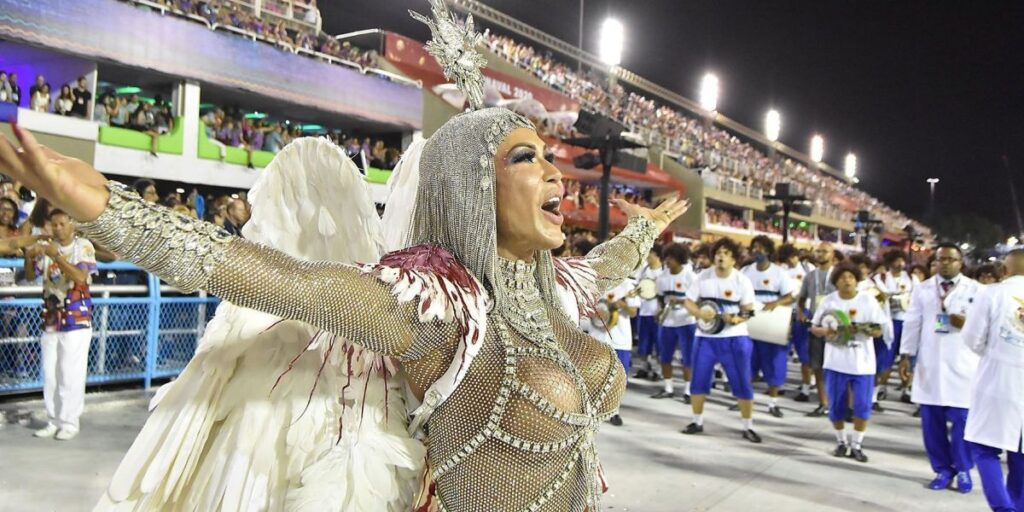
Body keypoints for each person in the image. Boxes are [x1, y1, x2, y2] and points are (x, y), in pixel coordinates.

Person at [0, 8, 689, 503]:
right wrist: (101, 205)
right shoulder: (430, 309)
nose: (555, 174)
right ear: (473, 189)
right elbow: (268, 277)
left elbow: (605, 267)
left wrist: (644, 233)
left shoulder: (553, 289)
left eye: (550, 157)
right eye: (526, 158)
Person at [900, 243, 982, 493]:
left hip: (964, 364)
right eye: (940, 259)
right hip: (931, 365)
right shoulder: (923, 289)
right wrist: (906, 355)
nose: (945, 263)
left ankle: (964, 469)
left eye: (951, 259)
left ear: (961, 262)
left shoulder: (978, 290)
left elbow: (984, 328)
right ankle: (943, 470)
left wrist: (965, 323)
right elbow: (912, 323)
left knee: (963, 423)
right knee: (931, 424)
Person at [24, 209, 98, 441]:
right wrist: (29, 256)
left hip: (76, 318)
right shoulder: (46, 247)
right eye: (53, 225)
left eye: (61, 224)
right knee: (51, 373)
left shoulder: (83, 246)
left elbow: (79, 277)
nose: (57, 229)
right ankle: (52, 419)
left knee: (70, 373)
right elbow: (29, 276)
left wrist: (57, 257)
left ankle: (69, 421)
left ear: (72, 224)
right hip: (51, 318)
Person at [961, 249, 1024, 512]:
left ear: (1004, 270)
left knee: (984, 449)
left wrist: (996, 353)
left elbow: (972, 338)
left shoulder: (992, 293)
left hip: (998, 379)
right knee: (1021, 454)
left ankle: (1003, 508)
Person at [681, 238, 761, 443]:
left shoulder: (741, 280)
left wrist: (736, 319)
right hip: (705, 337)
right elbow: (688, 301)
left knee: (742, 381)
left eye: (726, 253)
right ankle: (696, 421)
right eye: (718, 252)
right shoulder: (702, 277)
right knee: (698, 380)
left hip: (734, 338)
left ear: (734, 259)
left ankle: (748, 426)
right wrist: (698, 312)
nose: (721, 256)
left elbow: (749, 310)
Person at [809, 263, 886, 462]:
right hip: (835, 363)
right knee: (836, 407)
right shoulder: (829, 301)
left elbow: (879, 330)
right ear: (835, 281)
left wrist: (862, 329)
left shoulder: (868, 301)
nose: (847, 280)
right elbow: (815, 328)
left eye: (851, 276)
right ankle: (841, 442)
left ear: (857, 279)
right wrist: (829, 331)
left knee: (861, 406)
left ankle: (857, 444)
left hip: (863, 365)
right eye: (842, 277)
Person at [741, 235, 796, 418]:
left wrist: (776, 303)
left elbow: (790, 296)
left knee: (774, 363)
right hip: (750, 322)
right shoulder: (746, 271)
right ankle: (744, 399)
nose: (757, 251)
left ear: (768, 251)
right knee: (747, 363)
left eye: (761, 248)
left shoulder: (779, 273)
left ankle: (773, 403)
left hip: (772, 323)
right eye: (754, 247)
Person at [585, 277, 639, 426]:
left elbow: (633, 312)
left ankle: (615, 411)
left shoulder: (629, 284)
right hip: (597, 335)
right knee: (594, 374)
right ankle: (591, 408)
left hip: (619, 338)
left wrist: (622, 305)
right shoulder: (596, 281)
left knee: (619, 377)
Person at [652, 243, 697, 401]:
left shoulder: (690, 276)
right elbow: (659, 298)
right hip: (667, 322)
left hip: (687, 321)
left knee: (688, 357)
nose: (667, 260)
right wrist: (659, 310)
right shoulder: (662, 278)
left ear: (680, 259)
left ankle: (688, 391)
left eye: (671, 257)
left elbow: (696, 299)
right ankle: (668, 387)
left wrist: (680, 301)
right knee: (665, 356)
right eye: (667, 257)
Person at [797, 242, 838, 416]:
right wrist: (800, 312)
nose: (820, 254)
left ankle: (845, 406)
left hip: (836, 327)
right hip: (816, 325)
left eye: (825, 251)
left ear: (832, 254)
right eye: (818, 251)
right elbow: (801, 298)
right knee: (817, 367)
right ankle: (823, 403)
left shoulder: (839, 275)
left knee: (838, 367)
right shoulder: (810, 276)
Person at [873, 250, 915, 408]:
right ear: (889, 262)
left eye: (902, 261)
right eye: (896, 261)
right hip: (888, 323)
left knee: (908, 359)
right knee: (883, 360)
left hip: (907, 323)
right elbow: (879, 297)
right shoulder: (881, 278)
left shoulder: (911, 279)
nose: (900, 264)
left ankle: (907, 390)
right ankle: (875, 395)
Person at [779, 243, 813, 401]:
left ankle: (806, 389)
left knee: (804, 352)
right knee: (781, 350)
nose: (791, 261)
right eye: (787, 259)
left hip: (803, 313)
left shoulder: (808, 269)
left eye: (793, 257)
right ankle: (779, 385)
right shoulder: (782, 271)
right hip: (785, 313)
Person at [632, 245, 664, 380]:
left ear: (656, 255)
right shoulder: (644, 270)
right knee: (644, 343)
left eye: (650, 253)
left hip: (656, 313)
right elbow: (636, 284)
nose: (647, 256)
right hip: (644, 311)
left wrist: (661, 308)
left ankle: (658, 371)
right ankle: (644, 367)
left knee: (658, 343)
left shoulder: (663, 273)